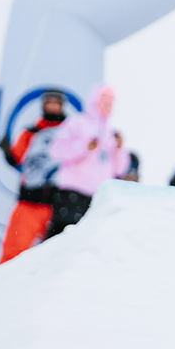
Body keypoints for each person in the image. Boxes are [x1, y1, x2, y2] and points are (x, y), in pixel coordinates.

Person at [46, 84, 130, 237]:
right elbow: (56, 149)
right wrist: (84, 147)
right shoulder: (77, 123)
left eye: (111, 101)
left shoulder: (111, 132)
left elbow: (120, 169)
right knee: (60, 241)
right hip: (71, 194)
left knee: (86, 244)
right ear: (94, 100)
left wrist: (119, 149)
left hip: (96, 198)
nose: (107, 104)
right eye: (104, 99)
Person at [0, 89, 68, 264]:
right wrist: (7, 151)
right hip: (30, 202)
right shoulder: (30, 133)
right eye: (49, 103)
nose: (52, 107)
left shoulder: (71, 134)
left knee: (58, 256)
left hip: (58, 204)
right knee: (13, 251)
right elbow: (16, 157)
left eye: (55, 103)